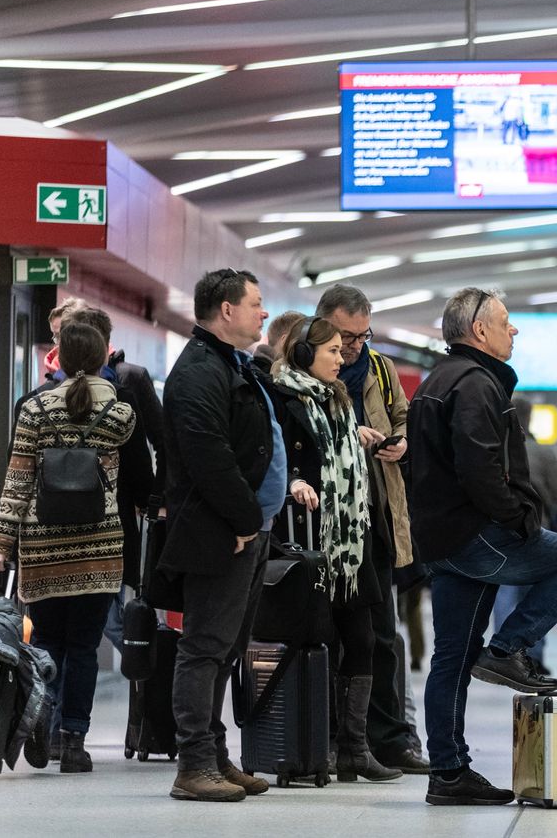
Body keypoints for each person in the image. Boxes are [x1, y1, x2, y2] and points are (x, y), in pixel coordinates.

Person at [406, 287, 557, 805]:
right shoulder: (476, 384)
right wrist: (518, 519)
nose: (513, 330)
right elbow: (480, 467)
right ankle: (508, 647)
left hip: (443, 541)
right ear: (479, 331)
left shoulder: (438, 381)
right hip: (477, 536)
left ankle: (447, 772)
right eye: (506, 322)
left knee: (450, 657)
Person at [0, 322, 137, 773]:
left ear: (60, 359)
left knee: (47, 642)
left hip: (43, 544)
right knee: (86, 648)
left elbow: (17, 480)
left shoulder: (33, 409)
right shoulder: (119, 413)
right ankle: (75, 742)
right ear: (103, 358)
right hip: (99, 544)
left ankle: (44, 731)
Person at [160, 268, 284, 802]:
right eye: (256, 304)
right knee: (204, 648)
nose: (263, 313)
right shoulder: (197, 373)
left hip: (245, 533)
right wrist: (245, 522)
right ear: (227, 310)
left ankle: (215, 756)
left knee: (228, 648)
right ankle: (192, 765)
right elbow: (209, 457)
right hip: (221, 533)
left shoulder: (232, 365)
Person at [267, 317, 401, 783]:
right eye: (332, 352)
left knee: (361, 639)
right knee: (318, 640)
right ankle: (316, 745)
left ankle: (354, 749)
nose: (341, 359)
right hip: (307, 541)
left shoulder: (339, 400)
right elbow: (273, 454)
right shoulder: (281, 397)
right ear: (304, 355)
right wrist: (293, 480)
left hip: (350, 540)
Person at [315, 284, 429, 774]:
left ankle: (386, 739)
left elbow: (404, 418)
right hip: (321, 526)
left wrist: (400, 443)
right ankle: (322, 736)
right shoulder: (302, 370)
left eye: (364, 336)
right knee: (325, 635)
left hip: (375, 518)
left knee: (382, 635)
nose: (355, 348)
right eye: (346, 338)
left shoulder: (380, 370)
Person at [489, 396, 557, 674]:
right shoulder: (540, 452)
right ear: (530, 417)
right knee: (536, 594)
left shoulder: (493, 449)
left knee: (505, 592)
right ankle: (531, 655)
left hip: (497, 533)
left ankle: (501, 654)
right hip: (535, 530)